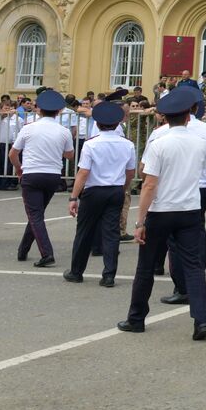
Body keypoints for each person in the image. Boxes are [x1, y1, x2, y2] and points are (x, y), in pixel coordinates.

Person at [118, 86, 206, 340]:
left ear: (165, 116)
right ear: (189, 115)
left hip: (161, 210)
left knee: (146, 266)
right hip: (189, 209)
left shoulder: (159, 143)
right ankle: (201, 319)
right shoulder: (200, 143)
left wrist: (140, 221)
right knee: (194, 267)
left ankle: (136, 318)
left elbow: (150, 183)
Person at [65, 100, 138, 286]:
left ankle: (76, 271)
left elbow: (83, 172)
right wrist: (123, 186)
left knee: (84, 231)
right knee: (111, 233)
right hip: (115, 189)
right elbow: (130, 172)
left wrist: (74, 196)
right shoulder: (127, 144)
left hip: (94, 190)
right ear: (117, 123)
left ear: (97, 124)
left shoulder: (91, 145)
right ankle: (109, 275)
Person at [9, 89, 76, 267]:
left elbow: (13, 154)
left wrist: (18, 169)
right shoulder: (64, 131)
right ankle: (23, 250)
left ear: (38, 109)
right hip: (53, 175)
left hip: (32, 173)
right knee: (36, 213)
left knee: (35, 214)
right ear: (59, 111)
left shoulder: (28, 128)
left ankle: (47, 253)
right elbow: (70, 155)